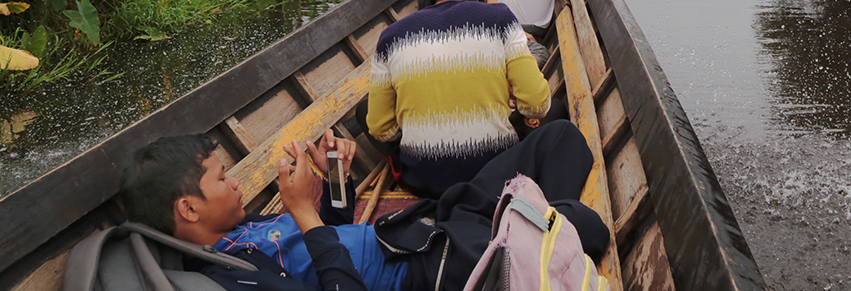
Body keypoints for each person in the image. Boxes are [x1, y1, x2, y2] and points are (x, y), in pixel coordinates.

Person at [118, 122, 607, 291]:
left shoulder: (241, 228)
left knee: (558, 139)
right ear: (188, 208)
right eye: (221, 179)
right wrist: (303, 215)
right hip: (433, 266)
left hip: (422, 226)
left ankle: (534, 226)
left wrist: (334, 178)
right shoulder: (233, 275)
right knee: (586, 224)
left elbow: (335, 230)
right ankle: (539, 230)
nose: (236, 184)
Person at [367, 0, 551, 197]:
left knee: (366, 110)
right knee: (555, 112)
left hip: (423, 182)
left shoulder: (391, 36)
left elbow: (380, 129)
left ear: (425, 3)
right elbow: (536, 106)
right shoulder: (500, 17)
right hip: (495, 175)